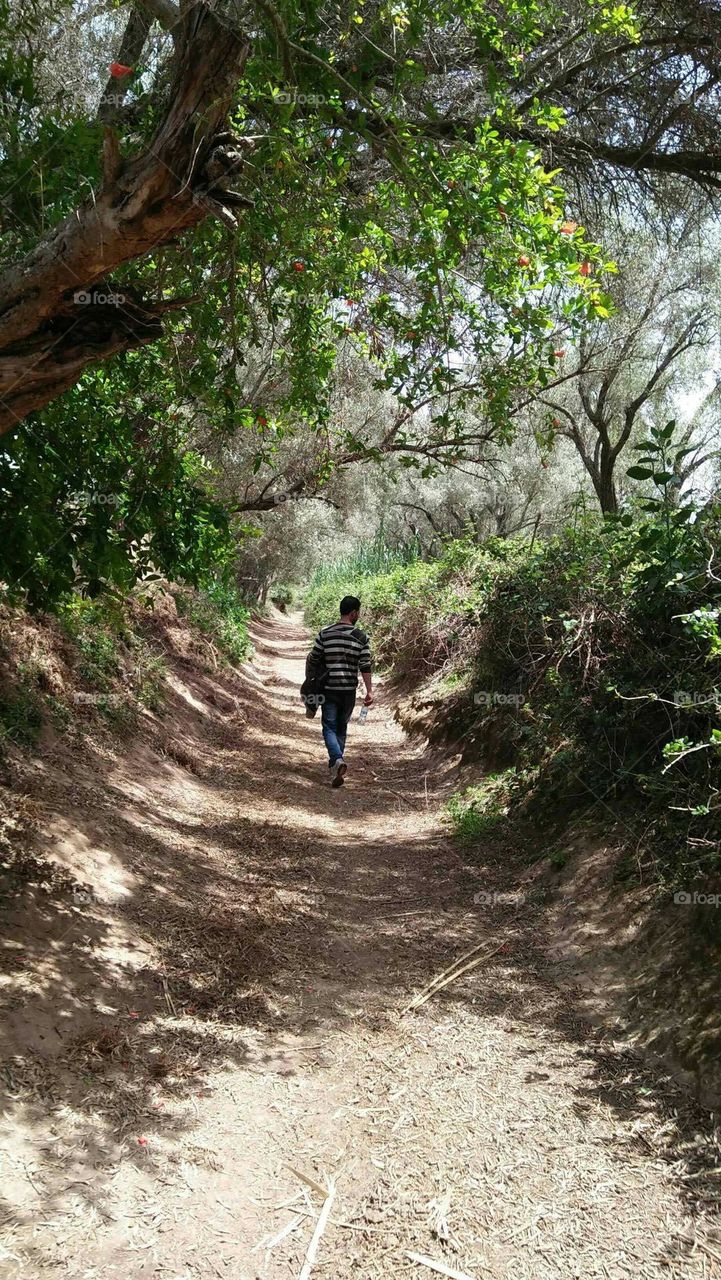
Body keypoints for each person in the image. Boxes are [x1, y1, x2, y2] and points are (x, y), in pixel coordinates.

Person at [307, 595, 374, 787]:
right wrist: (369, 691)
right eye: (358, 612)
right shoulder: (361, 637)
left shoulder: (325, 633)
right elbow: (365, 665)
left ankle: (336, 760)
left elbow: (313, 658)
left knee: (329, 726)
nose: (358, 615)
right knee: (341, 726)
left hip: (329, 689)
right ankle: (336, 764)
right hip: (348, 691)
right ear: (353, 613)